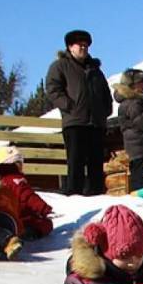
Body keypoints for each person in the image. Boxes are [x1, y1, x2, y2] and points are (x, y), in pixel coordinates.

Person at [46, 29, 112, 196]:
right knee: (76, 161)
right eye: (79, 45)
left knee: (96, 163)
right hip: (75, 122)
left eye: (86, 45)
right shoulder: (60, 66)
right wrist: (69, 106)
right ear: (70, 47)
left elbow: (106, 94)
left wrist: (105, 111)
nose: (83, 48)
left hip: (96, 123)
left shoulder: (96, 71)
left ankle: (96, 194)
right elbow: (53, 89)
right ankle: (73, 195)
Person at [0, 146, 55, 239]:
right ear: (13, 163)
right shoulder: (15, 179)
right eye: (19, 162)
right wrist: (45, 209)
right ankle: (29, 232)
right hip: (17, 216)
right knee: (46, 223)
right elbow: (28, 196)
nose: (21, 166)